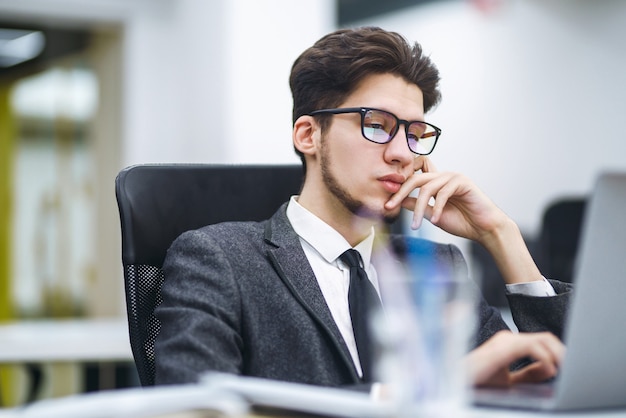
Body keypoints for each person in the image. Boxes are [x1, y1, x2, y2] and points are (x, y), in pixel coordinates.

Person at [154, 26, 572, 390]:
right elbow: (197, 407)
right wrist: (422, 388)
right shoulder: (219, 259)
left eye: (416, 133)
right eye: (377, 125)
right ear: (308, 135)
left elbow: (549, 384)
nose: (403, 154)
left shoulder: (433, 266)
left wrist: (499, 233)